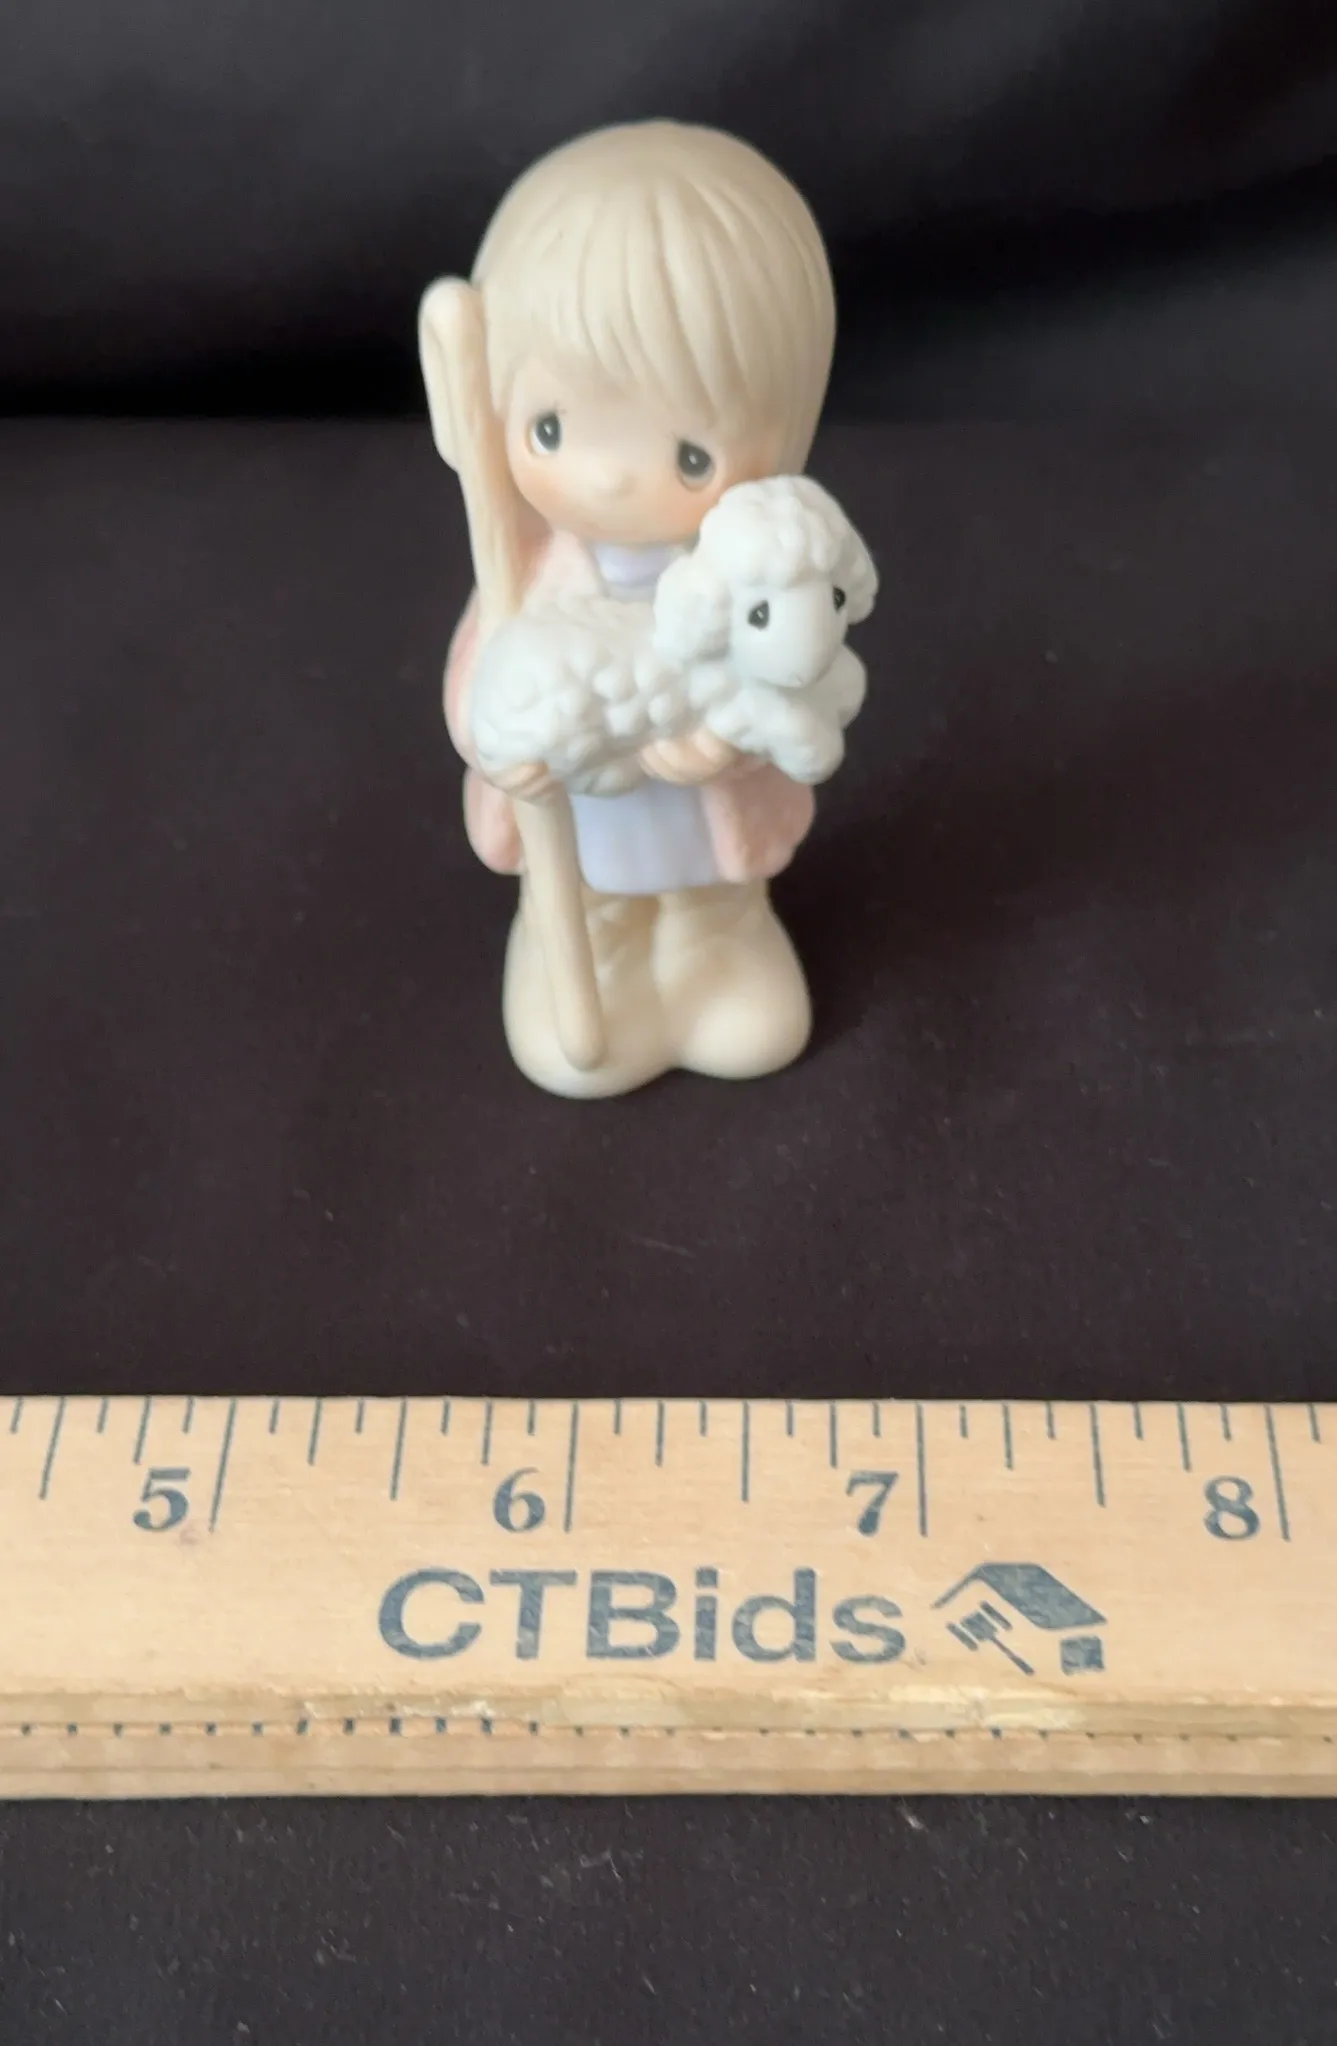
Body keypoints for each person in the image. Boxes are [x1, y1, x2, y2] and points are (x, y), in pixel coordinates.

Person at [424, 120, 838, 1097]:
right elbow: (482, 678)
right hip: (582, 829)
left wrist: (724, 744)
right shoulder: (529, 579)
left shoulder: (751, 579)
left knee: (714, 899)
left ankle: (714, 948)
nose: (609, 478)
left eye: (688, 455)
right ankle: (583, 952)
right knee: (592, 897)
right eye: (551, 429)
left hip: (702, 815)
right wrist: (502, 743)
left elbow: (789, 687)